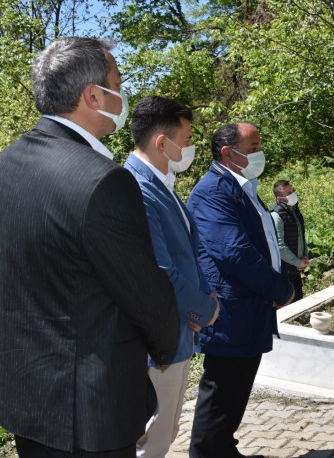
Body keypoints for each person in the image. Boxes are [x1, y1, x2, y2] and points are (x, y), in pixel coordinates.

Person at [0, 37, 180, 457]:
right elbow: (145, 293)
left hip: (26, 396)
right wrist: (167, 343)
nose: (122, 96)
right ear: (93, 96)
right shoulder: (104, 179)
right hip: (90, 410)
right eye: (118, 84)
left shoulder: (6, 163)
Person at [186, 122, 295, 458]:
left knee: (236, 391)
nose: (260, 153)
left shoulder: (241, 186)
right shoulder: (212, 192)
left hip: (250, 307)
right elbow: (235, 253)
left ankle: (223, 449)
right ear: (227, 152)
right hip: (229, 311)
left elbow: (261, 242)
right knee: (222, 392)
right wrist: (280, 288)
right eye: (253, 147)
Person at [124, 96, 220, 458]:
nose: (191, 147)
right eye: (188, 139)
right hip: (159, 340)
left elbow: (188, 252)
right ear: (162, 142)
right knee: (152, 439)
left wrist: (205, 298)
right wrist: (203, 310)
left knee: (166, 431)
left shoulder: (160, 183)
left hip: (179, 330)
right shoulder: (136, 188)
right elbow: (160, 269)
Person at [270, 180, 309, 302]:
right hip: (285, 271)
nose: (293, 194)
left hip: (295, 268)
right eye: (289, 192)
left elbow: (301, 236)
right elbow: (279, 245)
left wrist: (305, 255)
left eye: (293, 190)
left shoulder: (295, 211)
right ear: (280, 198)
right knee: (289, 305)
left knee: (299, 302)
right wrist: (298, 262)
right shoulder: (276, 215)